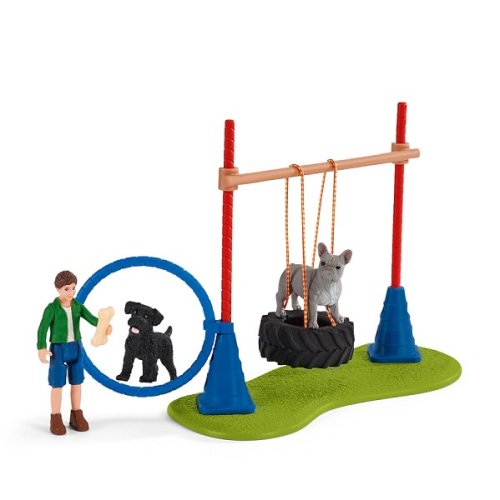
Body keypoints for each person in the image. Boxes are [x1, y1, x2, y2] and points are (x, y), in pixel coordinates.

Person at [37, 270, 112, 435]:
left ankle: (76, 413)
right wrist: (41, 347)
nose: (71, 292)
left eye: (73, 288)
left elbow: (92, 319)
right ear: (58, 289)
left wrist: (104, 326)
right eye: (66, 289)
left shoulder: (77, 306)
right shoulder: (52, 308)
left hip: (76, 347)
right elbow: (42, 328)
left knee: (77, 382)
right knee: (57, 384)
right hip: (58, 349)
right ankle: (55, 416)